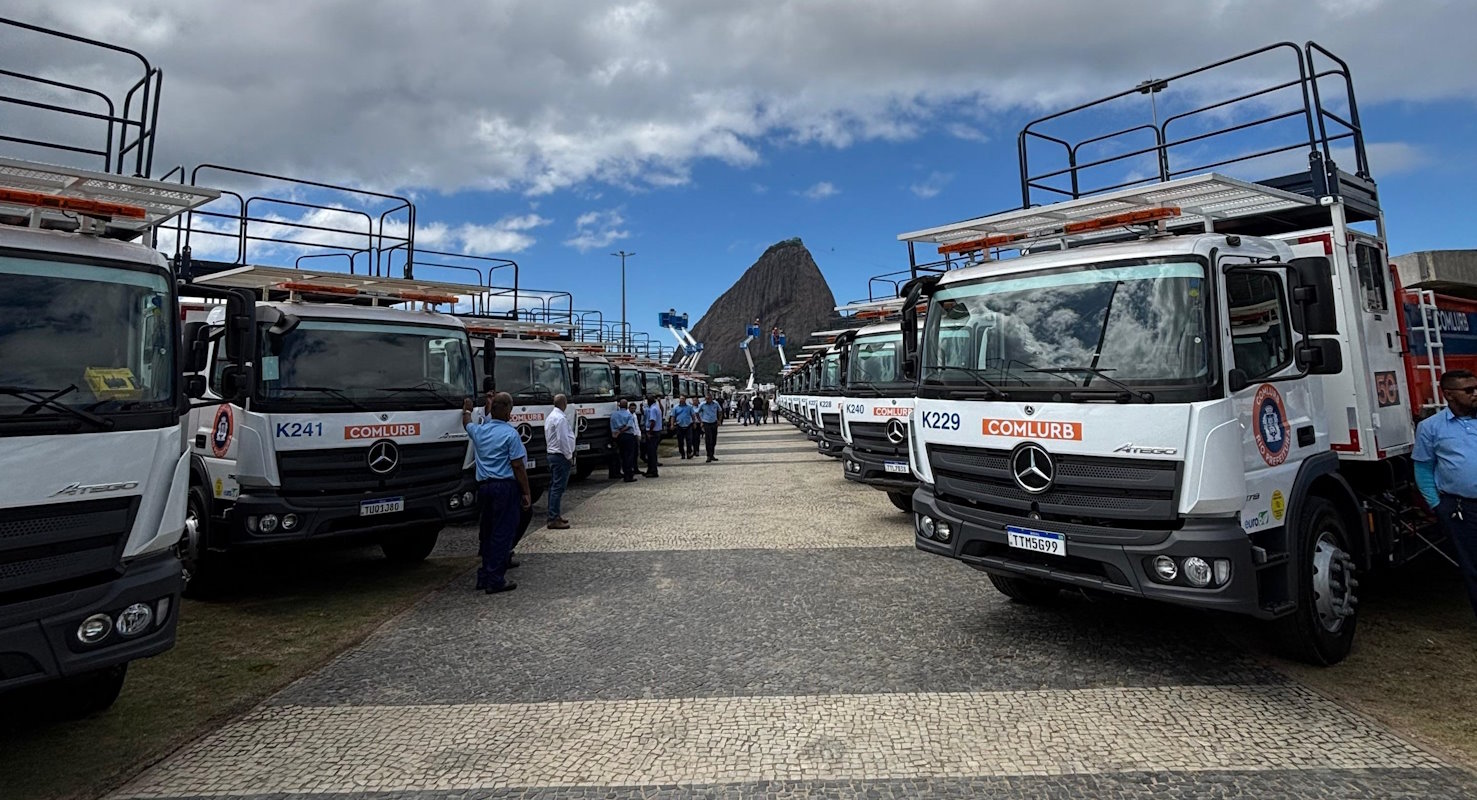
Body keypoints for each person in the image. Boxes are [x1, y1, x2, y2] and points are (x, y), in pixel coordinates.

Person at [1413, 369, 1477, 621]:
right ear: (1449, 394)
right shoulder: (1431, 428)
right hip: (1462, 509)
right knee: (1473, 568)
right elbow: (1423, 467)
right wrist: (1436, 505)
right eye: (1469, 390)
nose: (1475, 394)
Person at [463, 392, 531, 595]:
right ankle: (495, 579)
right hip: (504, 486)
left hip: (484, 486)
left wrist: (467, 408)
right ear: (507, 410)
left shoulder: (480, 431)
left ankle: (483, 575)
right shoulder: (510, 434)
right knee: (503, 532)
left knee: (488, 531)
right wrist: (526, 492)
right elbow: (518, 465)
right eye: (510, 408)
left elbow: (466, 422)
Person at [544, 393, 574, 529]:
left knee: (553, 487)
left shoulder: (550, 417)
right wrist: (569, 455)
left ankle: (554, 514)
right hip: (560, 455)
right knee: (558, 488)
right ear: (564, 403)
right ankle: (553, 517)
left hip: (552, 454)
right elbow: (563, 439)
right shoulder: (560, 418)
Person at [611, 398, 642, 482]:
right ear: (627, 406)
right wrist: (622, 429)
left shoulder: (614, 415)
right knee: (629, 456)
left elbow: (613, 427)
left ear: (619, 405)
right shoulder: (629, 415)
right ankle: (628, 475)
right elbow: (629, 426)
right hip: (628, 436)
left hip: (618, 437)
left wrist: (616, 433)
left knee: (622, 455)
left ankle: (623, 472)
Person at [698, 391, 723, 462]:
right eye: (707, 398)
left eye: (709, 398)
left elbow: (720, 411)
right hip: (706, 423)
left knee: (714, 439)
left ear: (712, 398)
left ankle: (712, 454)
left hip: (714, 422)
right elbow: (697, 412)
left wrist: (719, 420)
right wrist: (701, 421)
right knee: (708, 439)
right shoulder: (702, 404)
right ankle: (708, 455)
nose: (708, 400)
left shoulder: (715, 403)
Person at [643, 395, 663, 478]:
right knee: (651, 452)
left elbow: (652, 422)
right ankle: (650, 470)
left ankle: (653, 471)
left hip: (653, 433)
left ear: (649, 401)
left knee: (651, 453)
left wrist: (649, 432)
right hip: (657, 432)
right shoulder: (656, 407)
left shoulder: (652, 409)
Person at [672, 394, 695, 459]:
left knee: (689, 440)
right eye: (681, 398)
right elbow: (673, 416)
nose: (682, 400)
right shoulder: (675, 407)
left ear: (685, 399)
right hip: (679, 425)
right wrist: (672, 424)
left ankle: (689, 453)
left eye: (683, 398)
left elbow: (693, 415)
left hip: (688, 425)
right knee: (680, 441)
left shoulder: (689, 407)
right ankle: (682, 453)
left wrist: (694, 423)